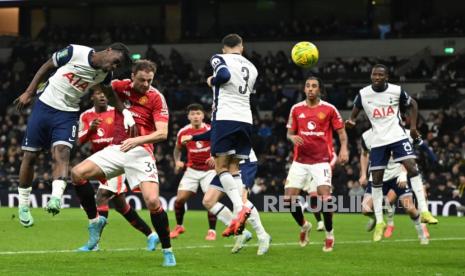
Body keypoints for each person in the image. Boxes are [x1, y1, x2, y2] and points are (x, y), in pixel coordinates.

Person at [70, 60, 176, 266]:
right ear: (132, 76)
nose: (146, 84)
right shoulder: (120, 86)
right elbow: (102, 84)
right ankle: (95, 222)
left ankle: (168, 251)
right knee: (77, 173)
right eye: (142, 80)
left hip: (141, 152)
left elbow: (162, 133)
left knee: (153, 202)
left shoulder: (155, 97)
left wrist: (136, 140)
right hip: (116, 149)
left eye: (150, 80)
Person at [15, 42, 131, 226]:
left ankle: (55, 198)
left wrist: (125, 112)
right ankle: (23, 205)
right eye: (115, 61)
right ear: (108, 50)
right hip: (44, 107)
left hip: (67, 114)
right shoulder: (74, 51)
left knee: (62, 151)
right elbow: (46, 66)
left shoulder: (105, 74)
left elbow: (110, 94)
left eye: (118, 66)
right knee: (30, 156)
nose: (114, 67)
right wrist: (29, 92)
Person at [346, 64, 437, 242]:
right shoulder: (364, 94)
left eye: (381, 75)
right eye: (374, 74)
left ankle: (424, 212)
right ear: (371, 76)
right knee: (376, 183)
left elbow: (414, 104)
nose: (377, 77)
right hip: (379, 142)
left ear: (387, 77)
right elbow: (355, 111)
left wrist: (412, 128)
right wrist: (351, 120)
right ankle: (380, 222)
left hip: (396, 140)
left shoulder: (396, 91)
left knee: (411, 167)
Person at [77, 87, 158, 251]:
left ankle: (95, 243)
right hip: (99, 162)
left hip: (118, 159)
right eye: (98, 93)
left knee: (102, 195)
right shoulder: (85, 116)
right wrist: (90, 130)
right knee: (122, 207)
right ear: (92, 96)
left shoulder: (118, 112)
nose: (102, 96)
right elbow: (79, 142)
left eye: (105, 94)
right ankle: (151, 235)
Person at [285, 76, 348, 252]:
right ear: (304, 89)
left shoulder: (329, 109)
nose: (310, 89)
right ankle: (304, 226)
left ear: (320, 90)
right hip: (300, 161)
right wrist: (292, 137)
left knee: (326, 199)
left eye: (314, 86)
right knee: (288, 200)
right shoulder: (296, 109)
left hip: (321, 161)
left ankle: (329, 234)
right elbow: (289, 133)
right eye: (308, 86)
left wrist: (344, 149)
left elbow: (341, 133)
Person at [182, 131, 271, 255]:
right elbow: (215, 132)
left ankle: (263, 235)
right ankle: (242, 232)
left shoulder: (234, 116)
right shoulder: (218, 115)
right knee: (208, 201)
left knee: (242, 200)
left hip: (243, 163)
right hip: (224, 165)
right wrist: (193, 137)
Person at [206, 33, 259, 236]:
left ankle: (239, 207)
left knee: (221, 167)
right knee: (235, 167)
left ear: (224, 48)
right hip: (245, 119)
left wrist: (211, 80)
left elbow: (224, 76)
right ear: (242, 47)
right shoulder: (253, 67)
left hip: (225, 117)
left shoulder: (219, 58)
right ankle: (243, 208)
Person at [359, 128, 430, 245]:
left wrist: (403, 173)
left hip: (396, 177)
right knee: (365, 209)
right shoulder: (366, 135)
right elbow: (364, 153)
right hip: (377, 177)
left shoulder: (402, 133)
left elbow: (408, 156)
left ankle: (421, 233)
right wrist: (363, 174)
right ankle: (376, 218)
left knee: (410, 209)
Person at [169, 103, 217, 240]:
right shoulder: (183, 132)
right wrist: (177, 161)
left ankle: (212, 231)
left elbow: (219, 145)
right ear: (188, 116)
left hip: (209, 171)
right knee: (179, 200)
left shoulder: (210, 129)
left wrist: (214, 156)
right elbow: (177, 149)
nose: (195, 116)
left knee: (210, 201)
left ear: (203, 115)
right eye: (192, 114)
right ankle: (179, 226)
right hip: (192, 170)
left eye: (198, 113)